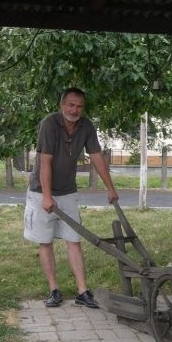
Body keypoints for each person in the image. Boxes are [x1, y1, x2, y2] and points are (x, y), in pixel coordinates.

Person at [24, 87, 119, 309]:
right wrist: (47, 196)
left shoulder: (86, 126)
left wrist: (110, 188)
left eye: (79, 106)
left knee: (74, 241)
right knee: (45, 241)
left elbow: (96, 156)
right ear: (62, 105)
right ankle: (54, 290)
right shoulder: (49, 124)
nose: (75, 110)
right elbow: (44, 161)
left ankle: (82, 292)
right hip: (41, 192)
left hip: (68, 191)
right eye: (71, 105)